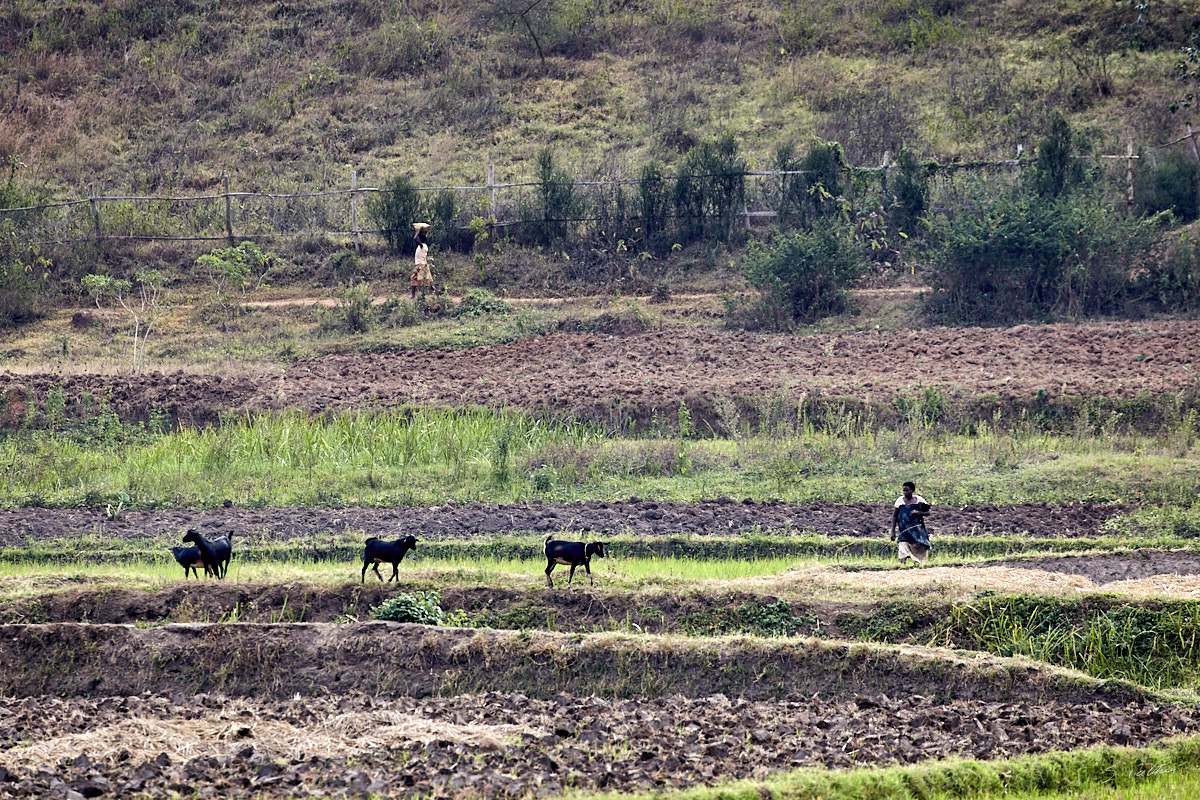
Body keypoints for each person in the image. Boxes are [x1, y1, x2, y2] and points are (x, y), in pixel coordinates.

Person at [890, 481, 932, 565]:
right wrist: (892, 531)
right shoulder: (900, 501)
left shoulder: (919, 500)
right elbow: (895, 516)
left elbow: (928, 513)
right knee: (902, 546)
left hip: (917, 530)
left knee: (919, 547)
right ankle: (902, 565)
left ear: (912, 491)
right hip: (904, 530)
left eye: (907, 490)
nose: (905, 493)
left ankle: (920, 564)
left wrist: (918, 512)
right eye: (904, 491)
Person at [410, 222, 434, 299]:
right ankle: (437, 292)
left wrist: (419, 231)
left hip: (420, 265)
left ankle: (413, 295)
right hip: (423, 264)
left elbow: (414, 238)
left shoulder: (422, 246)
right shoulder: (423, 246)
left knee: (414, 279)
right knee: (428, 281)